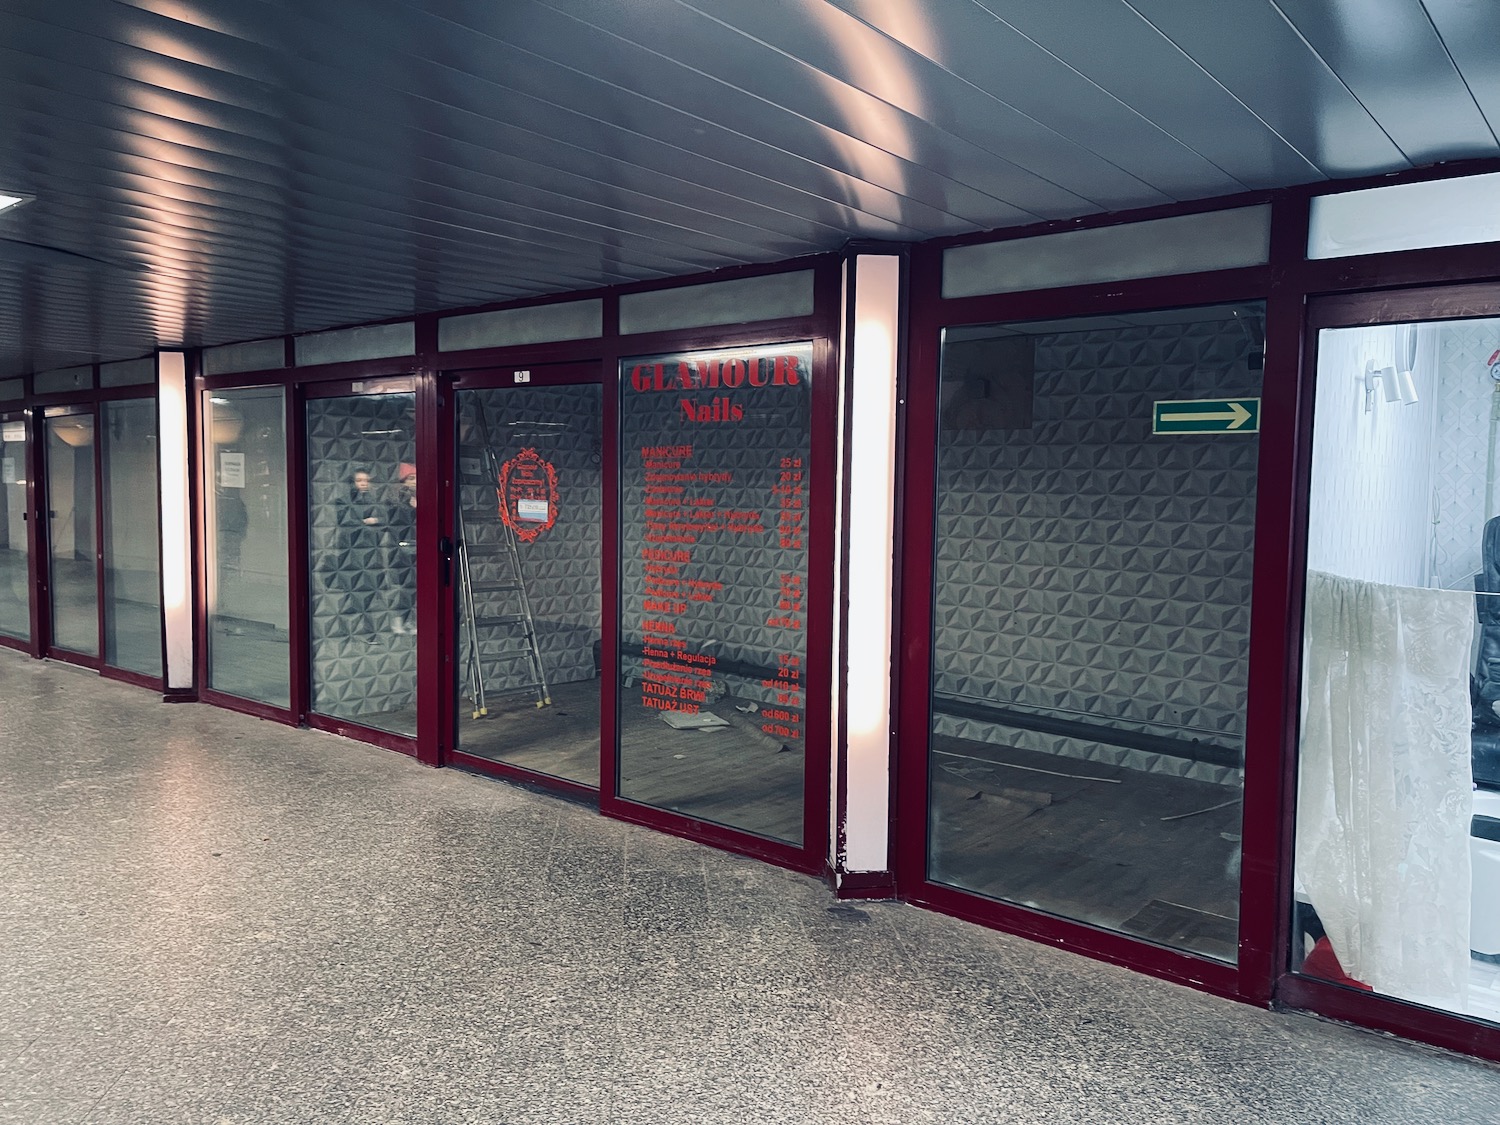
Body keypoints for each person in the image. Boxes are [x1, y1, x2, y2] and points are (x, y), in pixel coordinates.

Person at [333, 467, 384, 626]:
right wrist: (368, 522)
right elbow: (346, 523)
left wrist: (376, 521)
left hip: (370, 550)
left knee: (367, 589)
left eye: (366, 480)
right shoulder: (343, 500)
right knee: (353, 588)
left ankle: (363, 627)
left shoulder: (373, 500)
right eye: (359, 480)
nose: (363, 484)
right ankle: (354, 627)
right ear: (352, 483)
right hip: (352, 550)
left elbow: (385, 520)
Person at [385, 463, 418, 634]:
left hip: (420, 549)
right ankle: (401, 621)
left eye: (416, 478)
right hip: (403, 550)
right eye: (410, 478)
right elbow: (395, 526)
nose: (414, 482)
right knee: (407, 586)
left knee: (418, 587)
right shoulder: (396, 500)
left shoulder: (423, 498)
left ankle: (412, 621)